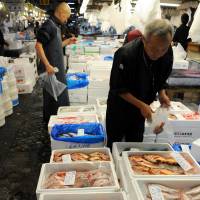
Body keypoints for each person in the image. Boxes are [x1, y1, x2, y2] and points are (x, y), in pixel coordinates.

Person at [106, 19, 173, 148]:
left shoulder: (167, 53)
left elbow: (160, 77)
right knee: (114, 144)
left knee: (135, 145)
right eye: (154, 49)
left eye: (163, 49)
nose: (158, 54)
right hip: (119, 107)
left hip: (141, 109)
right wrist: (141, 105)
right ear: (143, 39)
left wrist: (162, 93)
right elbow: (118, 87)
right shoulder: (125, 54)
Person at [35, 2, 76, 124]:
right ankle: (51, 124)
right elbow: (38, 45)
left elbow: (55, 46)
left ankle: (56, 121)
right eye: (66, 16)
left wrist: (67, 42)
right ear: (61, 13)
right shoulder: (49, 25)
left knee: (57, 98)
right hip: (51, 70)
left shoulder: (56, 26)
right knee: (53, 99)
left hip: (57, 69)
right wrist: (47, 65)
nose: (67, 19)